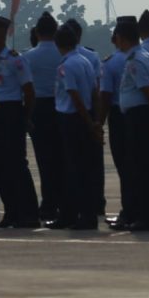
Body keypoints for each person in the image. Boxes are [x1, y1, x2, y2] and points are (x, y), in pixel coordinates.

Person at [0, 13, 39, 228]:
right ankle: (11, 212)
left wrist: (25, 117)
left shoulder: (15, 59)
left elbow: (29, 90)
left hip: (12, 112)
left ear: (1, 35)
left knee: (16, 164)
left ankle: (29, 214)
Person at [114, 16, 149, 232]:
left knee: (140, 168)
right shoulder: (148, 56)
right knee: (145, 166)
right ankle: (146, 214)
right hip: (145, 115)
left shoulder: (135, 60)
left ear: (122, 38)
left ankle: (145, 217)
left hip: (140, 117)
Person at [46, 24, 99, 230]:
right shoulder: (85, 61)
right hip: (85, 116)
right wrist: (94, 121)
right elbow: (94, 92)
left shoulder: (66, 65)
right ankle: (84, 214)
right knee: (84, 169)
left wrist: (87, 120)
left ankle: (76, 215)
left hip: (72, 118)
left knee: (74, 170)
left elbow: (74, 95)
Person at [22, 11, 64, 222]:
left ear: (37, 33)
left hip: (39, 108)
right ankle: (65, 202)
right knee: (63, 158)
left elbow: (24, 87)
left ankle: (49, 204)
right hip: (61, 107)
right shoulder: (63, 54)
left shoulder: (28, 57)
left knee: (44, 160)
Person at [65, 18, 104, 215]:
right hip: (90, 109)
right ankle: (96, 202)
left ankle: (78, 207)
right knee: (93, 162)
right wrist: (97, 121)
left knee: (75, 164)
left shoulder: (66, 60)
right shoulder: (91, 56)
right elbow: (97, 88)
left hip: (72, 113)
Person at [99, 29, 128, 225]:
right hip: (141, 114)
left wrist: (99, 123)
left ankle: (129, 210)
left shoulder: (111, 62)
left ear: (115, 39)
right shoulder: (147, 57)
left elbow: (106, 95)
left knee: (124, 166)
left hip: (118, 115)